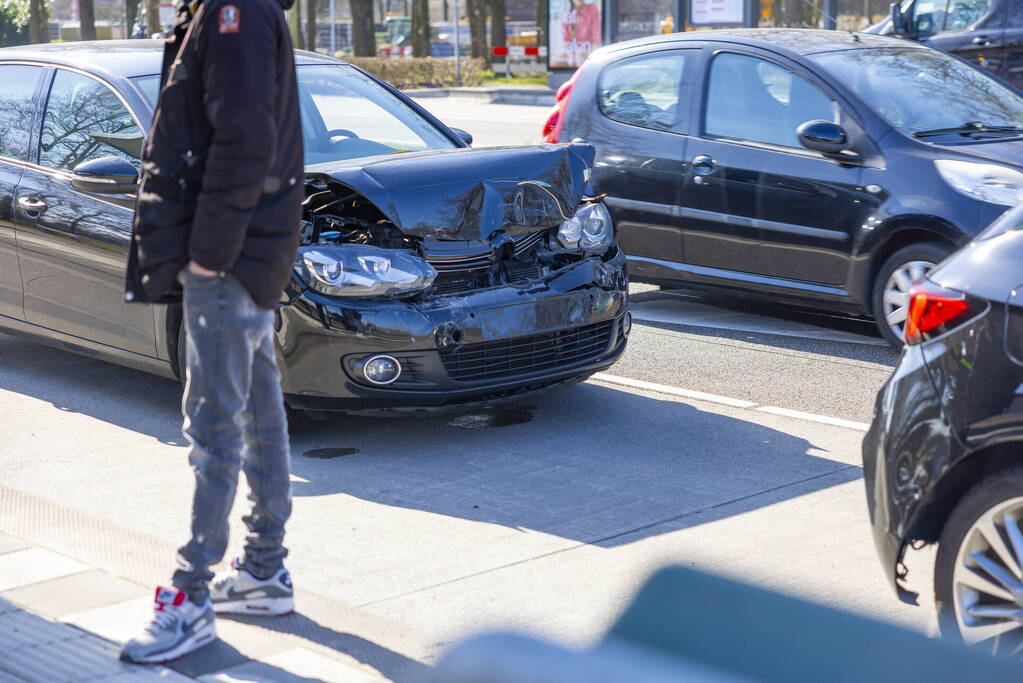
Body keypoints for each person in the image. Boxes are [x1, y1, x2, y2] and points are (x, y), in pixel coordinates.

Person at [119, 0, 304, 664]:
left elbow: (246, 136)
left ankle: (191, 596)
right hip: (248, 255)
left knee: (214, 429)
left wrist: (206, 254)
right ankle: (261, 570)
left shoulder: (234, 10)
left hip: (227, 262)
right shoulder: (232, 10)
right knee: (258, 413)